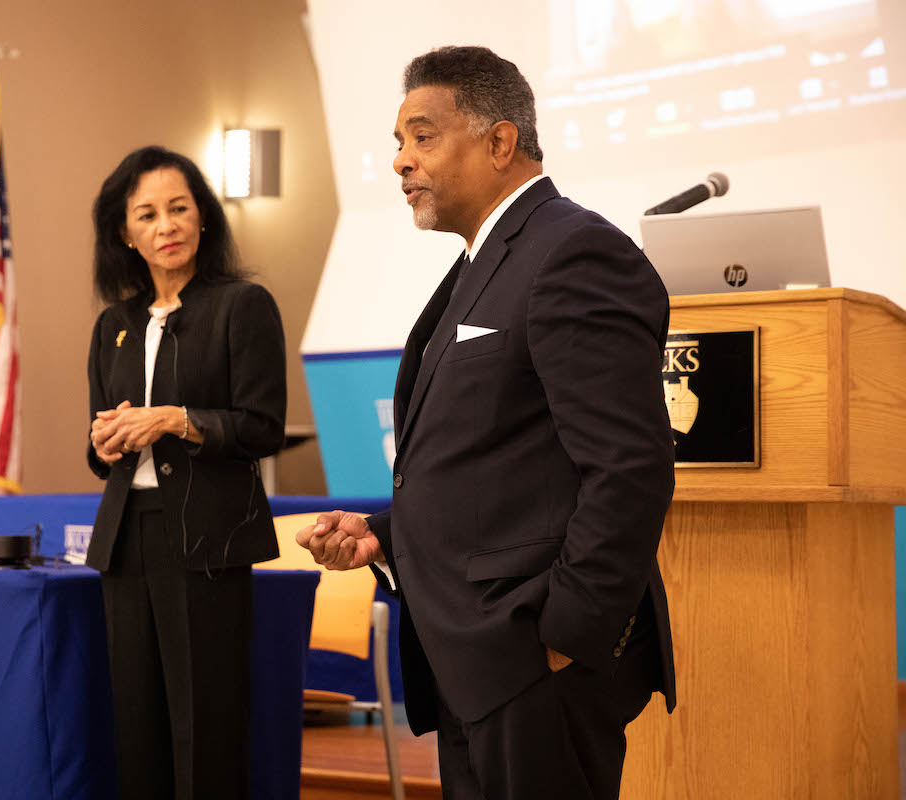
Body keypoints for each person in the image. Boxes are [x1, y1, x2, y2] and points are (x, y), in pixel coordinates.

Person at [297, 46, 676, 800]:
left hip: (531, 662)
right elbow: (500, 464)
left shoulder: (573, 252)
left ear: (500, 142)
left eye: (423, 137)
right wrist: (386, 535)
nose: (401, 161)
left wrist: (565, 636)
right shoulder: (486, 262)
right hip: (473, 664)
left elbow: (629, 467)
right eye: (398, 143)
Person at [84, 145, 286, 799]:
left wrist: (175, 420)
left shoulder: (243, 305)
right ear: (125, 233)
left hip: (207, 539)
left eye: (179, 208)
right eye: (147, 215)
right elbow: (101, 448)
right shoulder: (113, 326)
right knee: (136, 722)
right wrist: (104, 440)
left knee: (205, 724)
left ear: (203, 217)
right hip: (127, 540)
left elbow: (262, 428)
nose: (166, 225)